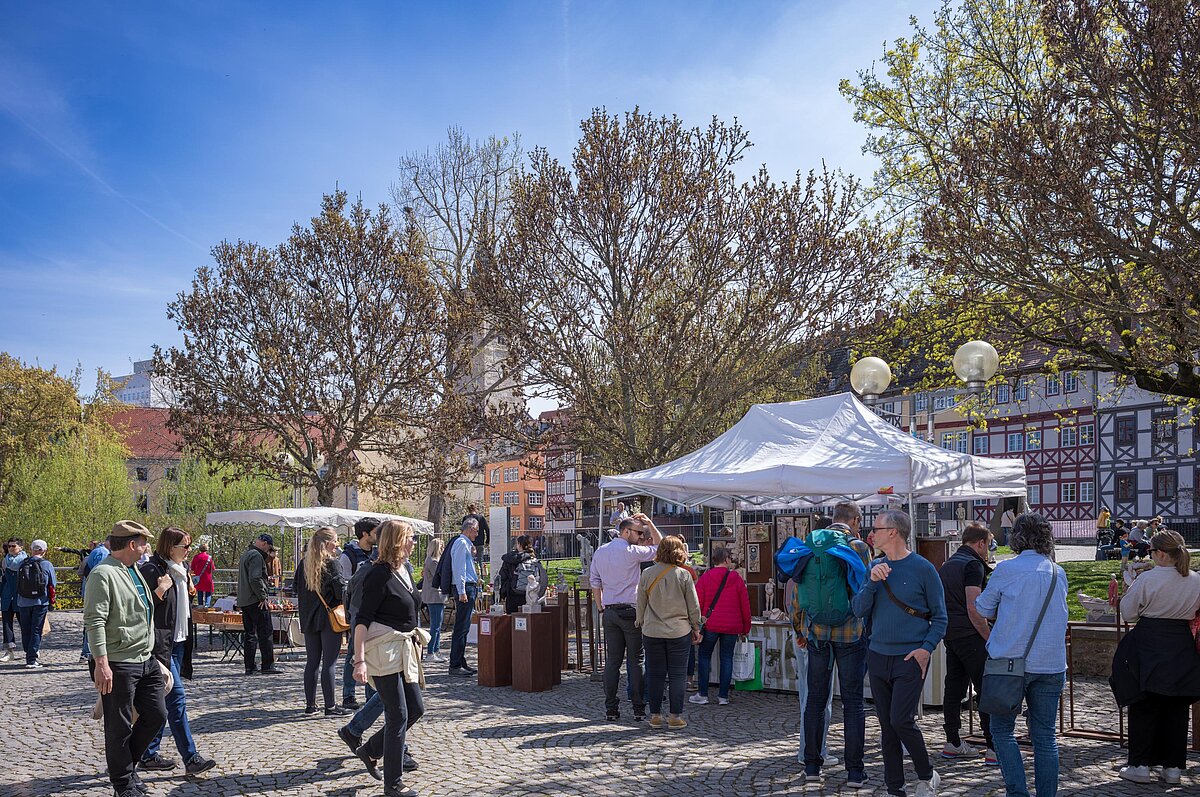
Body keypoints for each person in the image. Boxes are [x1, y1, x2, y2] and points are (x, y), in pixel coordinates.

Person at [851, 509, 947, 797]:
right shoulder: (874, 567)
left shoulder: (923, 569)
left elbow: (940, 617)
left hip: (910, 657)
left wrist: (926, 649)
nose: (871, 534)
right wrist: (872, 582)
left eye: (876, 529)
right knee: (887, 726)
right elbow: (858, 610)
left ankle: (926, 774)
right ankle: (895, 787)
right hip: (878, 655)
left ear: (893, 532)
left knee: (900, 720)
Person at [974, 512, 1068, 797]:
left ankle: (1017, 792)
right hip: (1051, 663)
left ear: (1016, 537)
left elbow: (982, 608)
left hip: (1009, 662)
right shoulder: (1057, 572)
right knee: (1045, 737)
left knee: (1002, 731)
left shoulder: (1007, 570)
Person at [84, 521, 168, 797]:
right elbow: (94, 621)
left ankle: (126, 768)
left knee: (156, 714)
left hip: (144, 658)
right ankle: (123, 784)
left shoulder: (133, 570)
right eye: (143, 542)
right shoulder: (103, 573)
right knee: (118, 726)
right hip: (117, 662)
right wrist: (102, 664)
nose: (147, 547)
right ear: (132, 544)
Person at [1110, 529, 1200, 786]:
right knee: (1177, 707)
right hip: (1181, 642)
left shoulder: (1148, 579)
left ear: (1160, 553)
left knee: (1144, 704)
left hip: (1149, 641)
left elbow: (1128, 613)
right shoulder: (1196, 579)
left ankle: (1140, 765)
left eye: (1150, 551)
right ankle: (1173, 768)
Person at [793, 501, 872, 788]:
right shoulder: (858, 547)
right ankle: (855, 772)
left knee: (815, 699)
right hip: (850, 634)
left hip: (817, 634)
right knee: (853, 703)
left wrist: (800, 627)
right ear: (855, 520)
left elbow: (798, 592)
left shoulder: (810, 544)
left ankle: (812, 766)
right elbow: (867, 590)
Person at [352, 520, 427, 797]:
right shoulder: (378, 574)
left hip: (402, 649)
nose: (414, 542)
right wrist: (359, 661)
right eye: (410, 537)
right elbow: (362, 620)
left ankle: (370, 750)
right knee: (398, 714)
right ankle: (393, 784)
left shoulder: (403, 570)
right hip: (382, 651)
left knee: (415, 708)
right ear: (397, 541)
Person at [137, 527, 216, 775]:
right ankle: (191, 758)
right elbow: (139, 607)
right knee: (177, 698)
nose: (189, 550)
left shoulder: (182, 570)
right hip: (161, 646)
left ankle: (148, 754)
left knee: (164, 700)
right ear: (171, 547)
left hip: (180, 642)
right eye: (185, 546)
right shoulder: (152, 570)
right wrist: (160, 590)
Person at [590, 513, 662, 721]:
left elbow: (595, 582)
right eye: (638, 532)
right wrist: (650, 523)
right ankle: (638, 707)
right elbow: (660, 548)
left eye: (642, 533)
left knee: (613, 661)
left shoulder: (601, 551)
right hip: (630, 610)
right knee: (636, 659)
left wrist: (600, 607)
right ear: (626, 531)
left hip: (610, 611)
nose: (641, 536)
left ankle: (611, 708)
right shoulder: (631, 552)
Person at [938, 522, 995, 763]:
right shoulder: (972, 565)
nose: (989, 549)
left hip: (951, 633)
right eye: (988, 544)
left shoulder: (948, 564)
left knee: (953, 688)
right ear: (980, 543)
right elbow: (974, 607)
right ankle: (993, 746)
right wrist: (988, 636)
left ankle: (952, 741)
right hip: (971, 635)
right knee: (986, 689)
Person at [636, 536, 700, 729]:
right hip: (678, 631)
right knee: (677, 675)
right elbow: (693, 606)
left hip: (652, 631)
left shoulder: (647, 573)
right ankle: (674, 717)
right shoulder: (684, 575)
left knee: (655, 675)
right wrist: (696, 627)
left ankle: (655, 716)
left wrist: (641, 622)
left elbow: (640, 603)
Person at [295, 527, 351, 717]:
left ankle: (310, 705)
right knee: (329, 663)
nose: (337, 544)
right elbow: (340, 592)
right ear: (327, 543)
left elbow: (296, 588)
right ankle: (330, 706)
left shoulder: (303, 564)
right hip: (329, 618)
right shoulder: (332, 564)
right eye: (335, 541)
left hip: (308, 618)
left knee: (312, 662)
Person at [689, 545, 750, 706]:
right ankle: (723, 696)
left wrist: (696, 625)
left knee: (704, 657)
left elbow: (697, 603)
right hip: (732, 625)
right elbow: (745, 605)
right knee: (727, 658)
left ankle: (703, 694)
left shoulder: (705, 578)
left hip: (710, 624)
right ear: (726, 560)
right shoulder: (736, 578)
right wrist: (746, 628)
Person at [342, 517, 380, 709]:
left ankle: (371, 696)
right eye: (375, 532)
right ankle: (348, 695)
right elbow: (345, 586)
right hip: (358, 610)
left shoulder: (377, 553)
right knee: (353, 653)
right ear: (365, 534)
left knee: (372, 654)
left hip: (375, 611)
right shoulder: (348, 556)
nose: (379, 536)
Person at [238, 533, 282, 675]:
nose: (268, 551)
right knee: (265, 632)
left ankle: (249, 666)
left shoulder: (246, 554)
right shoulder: (256, 556)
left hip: (245, 600)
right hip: (255, 600)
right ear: (264, 543)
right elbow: (255, 578)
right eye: (269, 548)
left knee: (250, 634)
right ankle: (267, 665)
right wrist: (262, 597)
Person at [447, 517, 481, 677]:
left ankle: (460, 661)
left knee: (464, 627)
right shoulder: (461, 543)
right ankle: (455, 664)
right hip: (465, 587)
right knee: (461, 627)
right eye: (476, 531)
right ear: (470, 529)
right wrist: (462, 591)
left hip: (467, 586)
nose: (477, 534)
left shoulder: (465, 544)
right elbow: (459, 568)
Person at [15, 538, 57, 668]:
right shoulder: (47, 564)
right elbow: (52, 584)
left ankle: (29, 652)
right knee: (36, 630)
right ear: (44, 550)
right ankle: (32, 659)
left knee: (25, 629)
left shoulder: (22, 563)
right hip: (40, 601)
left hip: (23, 602)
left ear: (31, 549)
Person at [498, 534, 548, 614]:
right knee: (528, 620)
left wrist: (501, 595)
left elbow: (502, 578)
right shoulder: (534, 561)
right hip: (530, 596)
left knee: (513, 619)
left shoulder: (510, 559)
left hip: (513, 596)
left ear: (519, 544)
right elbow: (542, 579)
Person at [1, 538, 27, 662]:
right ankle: (9, 651)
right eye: (9, 546)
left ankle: (30, 649)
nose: (11, 548)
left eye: (13, 546)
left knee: (25, 624)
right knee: (7, 625)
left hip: (21, 596)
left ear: (20, 547)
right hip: (7, 596)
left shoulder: (26, 561)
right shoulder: (4, 561)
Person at [420, 539, 446, 662]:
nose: (443, 549)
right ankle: (431, 652)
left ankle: (436, 650)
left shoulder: (430, 561)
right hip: (434, 596)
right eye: (441, 546)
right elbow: (440, 576)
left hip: (435, 596)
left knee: (437, 626)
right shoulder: (433, 562)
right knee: (435, 626)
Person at [189, 543, 215, 608]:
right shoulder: (209, 558)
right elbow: (213, 568)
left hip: (199, 578)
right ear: (207, 549)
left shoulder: (196, 557)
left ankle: (200, 605)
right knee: (208, 592)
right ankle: (207, 606)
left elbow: (192, 568)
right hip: (208, 578)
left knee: (199, 591)